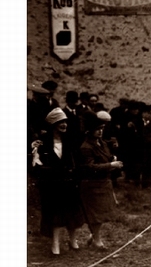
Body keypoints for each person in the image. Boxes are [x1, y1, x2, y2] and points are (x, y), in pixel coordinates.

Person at [31, 108, 84, 255]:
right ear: (53, 124)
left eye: (65, 122)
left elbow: (76, 161)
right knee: (54, 214)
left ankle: (73, 241)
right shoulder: (42, 143)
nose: (64, 125)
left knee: (72, 212)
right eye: (61, 122)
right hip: (52, 185)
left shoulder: (70, 141)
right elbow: (37, 166)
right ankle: (55, 244)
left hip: (69, 182)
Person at [77, 113, 124, 250]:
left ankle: (94, 236)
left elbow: (105, 156)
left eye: (102, 128)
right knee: (96, 215)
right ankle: (97, 240)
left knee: (102, 212)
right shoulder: (86, 147)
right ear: (89, 130)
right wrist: (111, 165)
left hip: (104, 182)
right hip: (92, 184)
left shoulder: (102, 143)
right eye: (97, 129)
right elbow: (90, 167)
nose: (100, 131)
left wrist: (112, 158)